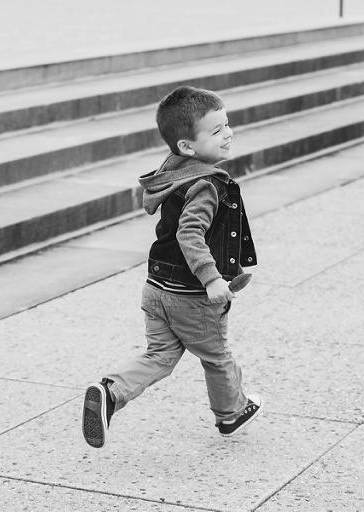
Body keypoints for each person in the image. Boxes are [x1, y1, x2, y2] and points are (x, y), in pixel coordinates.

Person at [82, 85, 262, 449]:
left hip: (156, 289)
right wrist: (211, 278)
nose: (228, 133)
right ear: (187, 147)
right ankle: (231, 414)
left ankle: (111, 393)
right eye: (216, 130)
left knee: (160, 356)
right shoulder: (207, 185)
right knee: (217, 356)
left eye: (227, 124)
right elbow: (189, 233)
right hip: (191, 296)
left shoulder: (174, 172)